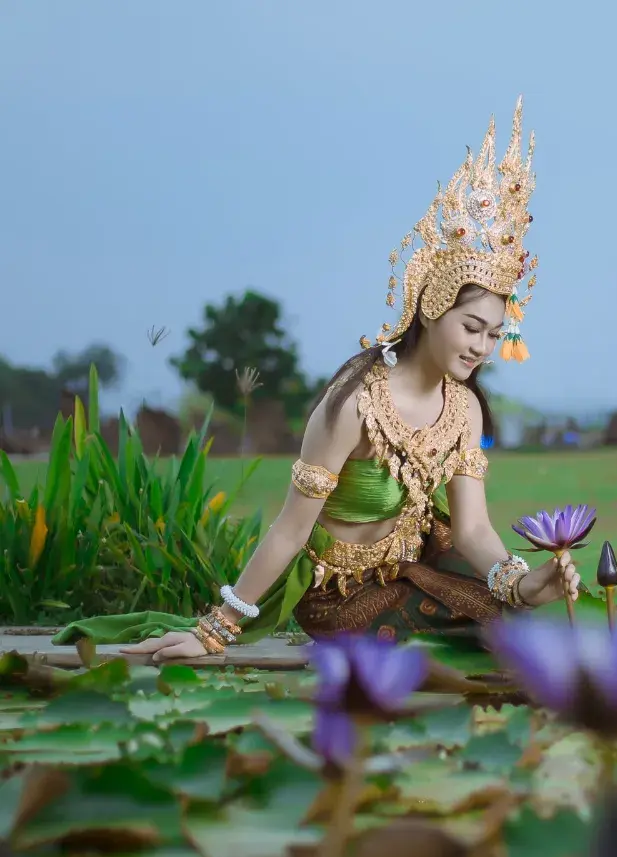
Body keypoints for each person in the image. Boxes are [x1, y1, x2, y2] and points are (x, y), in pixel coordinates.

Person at [52, 97, 580, 661]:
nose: (482, 347)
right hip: (344, 595)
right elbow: (290, 529)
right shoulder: (356, 403)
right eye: (472, 327)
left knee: (513, 621)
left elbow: (472, 531)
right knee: (484, 638)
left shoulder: (465, 408)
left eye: (495, 335)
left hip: (422, 564)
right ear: (431, 308)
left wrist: (521, 583)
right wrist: (216, 631)